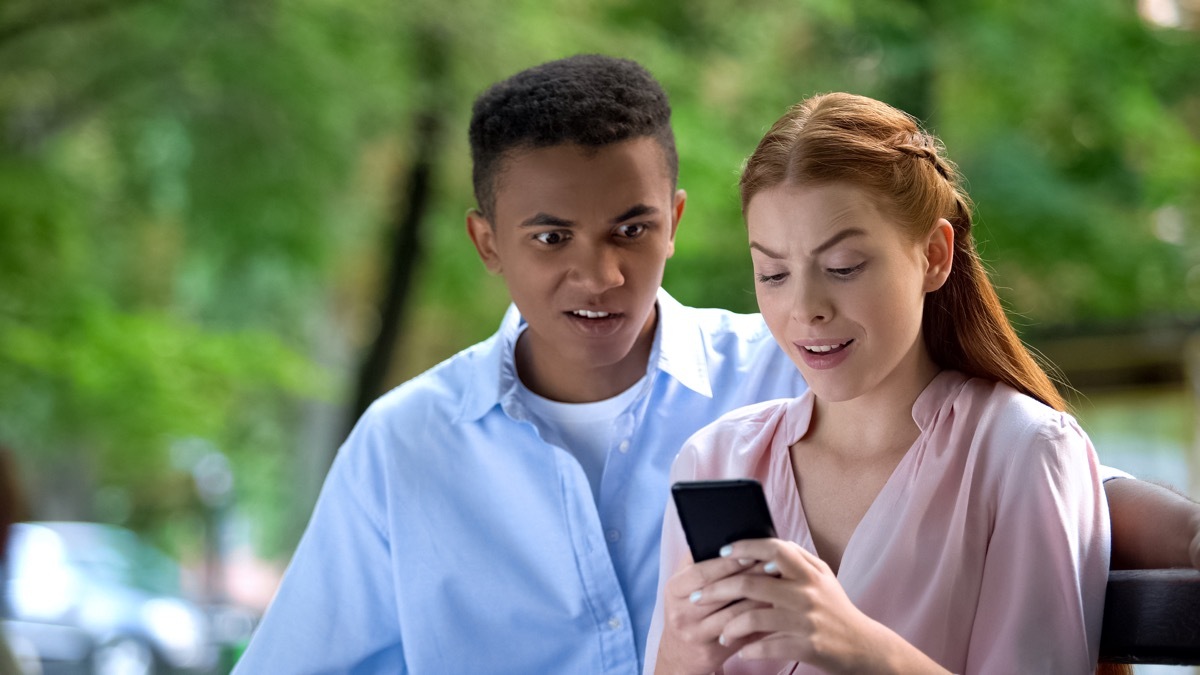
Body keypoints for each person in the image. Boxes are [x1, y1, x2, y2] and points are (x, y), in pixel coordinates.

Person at [235, 55, 1200, 674]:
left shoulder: (796, 367)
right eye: (549, 236)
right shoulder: (406, 448)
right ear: (489, 245)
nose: (600, 271)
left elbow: (995, 462)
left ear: (676, 222)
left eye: (632, 228)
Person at [646, 92, 1108, 674]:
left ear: (935, 256)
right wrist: (679, 659)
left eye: (843, 267)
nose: (805, 308)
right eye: (774, 273)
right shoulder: (717, 459)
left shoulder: (1022, 453)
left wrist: (859, 649)